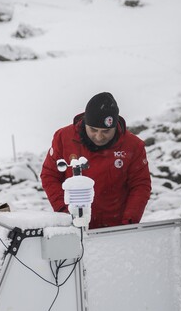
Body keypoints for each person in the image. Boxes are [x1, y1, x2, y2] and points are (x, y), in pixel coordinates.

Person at [41, 92, 151, 229]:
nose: (99, 137)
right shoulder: (63, 138)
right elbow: (49, 175)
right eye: (93, 130)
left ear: (115, 126)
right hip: (74, 226)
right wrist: (65, 212)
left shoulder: (133, 146)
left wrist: (129, 223)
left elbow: (140, 185)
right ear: (85, 122)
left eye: (106, 131)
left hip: (115, 227)